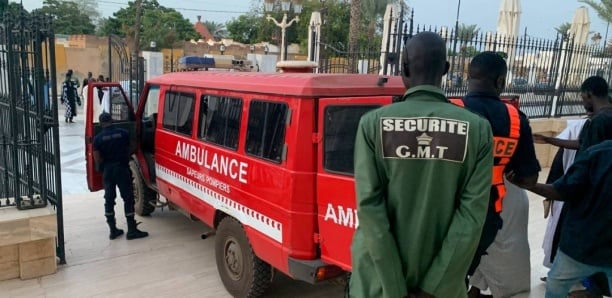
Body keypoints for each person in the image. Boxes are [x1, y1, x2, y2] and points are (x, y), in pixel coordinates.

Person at [349, 32, 494, 298]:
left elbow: (370, 210)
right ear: (446, 70)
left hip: (378, 285)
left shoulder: (372, 124)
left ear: (403, 68)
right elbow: (472, 217)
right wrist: (432, 288)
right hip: (442, 288)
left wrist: (395, 288)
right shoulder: (478, 130)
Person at [450, 52, 541, 297]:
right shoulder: (515, 118)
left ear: (469, 77)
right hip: (498, 209)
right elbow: (530, 178)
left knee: (452, 275)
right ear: (501, 81)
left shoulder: (449, 111)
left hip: (453, 210)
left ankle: (474, 288)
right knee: (512, 282)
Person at [516, 140, 612, 298]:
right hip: (586, 247)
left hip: (582, 246)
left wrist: (529, 185)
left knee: (556, 286)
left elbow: (563, 190)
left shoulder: (597, 153)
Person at [468, 178, 531, 298]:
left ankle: (508, 292)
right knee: (486, 245)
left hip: (501, 195)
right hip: (502, 192)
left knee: (494, 244)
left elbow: (530, 177)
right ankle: (475, 289)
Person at [93, 112, 148, 240]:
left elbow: (97, 159)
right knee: (128, 198)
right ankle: (132, 230)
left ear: (101, 123)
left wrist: (104, 164)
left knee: (109, 199)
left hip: (108, 170)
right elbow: (133, 146)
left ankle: (113, 230)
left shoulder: (98, 139)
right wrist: (125, 156)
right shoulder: (123, 133)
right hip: (122, 168)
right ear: (112, 120)